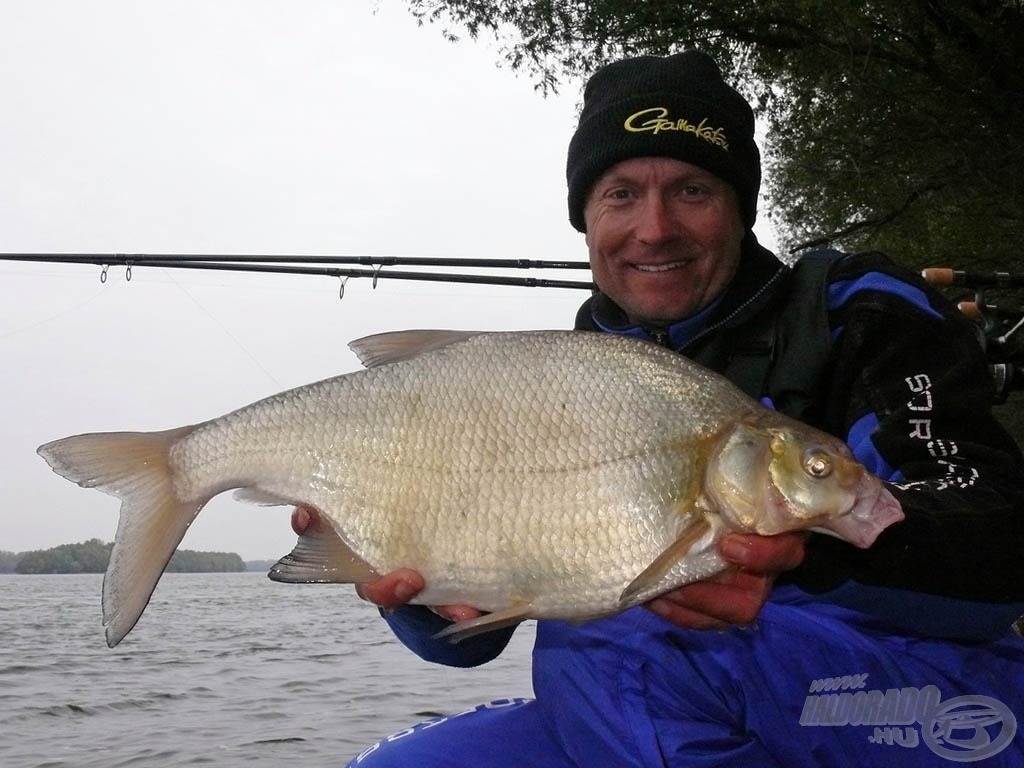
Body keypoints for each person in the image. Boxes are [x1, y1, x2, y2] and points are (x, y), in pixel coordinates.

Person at [296, 51, 1024, 766]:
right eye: (620, 194)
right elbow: (470, 640)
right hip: (649, 707)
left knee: (617, 633)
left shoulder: (856, 309)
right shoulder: (565, 371)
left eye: (692, 190)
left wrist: (803, 557)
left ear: (740, 206)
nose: (654, 229)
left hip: (921, 693)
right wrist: (423, 593)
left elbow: (1000, 548)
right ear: (585, 217)